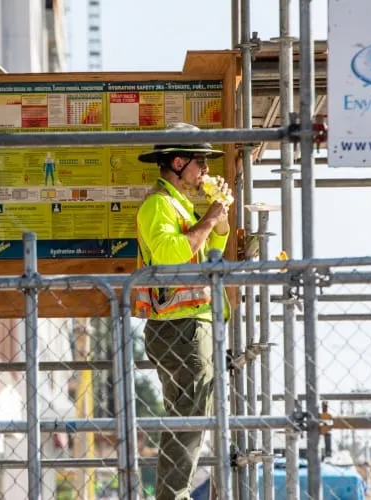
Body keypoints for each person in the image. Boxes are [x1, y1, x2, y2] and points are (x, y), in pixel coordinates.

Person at [132, 122, 233, 500]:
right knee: (189, 419)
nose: (205, 171)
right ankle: (172, 496)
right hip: (180, 328)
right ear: (178, 162)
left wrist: (217, 220)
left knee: (188, 417)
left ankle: (173, 494)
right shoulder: (158, 204)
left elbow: (210, 247)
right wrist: (209, 220)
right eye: (201, 163)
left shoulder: (178, 204)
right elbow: (171, 257)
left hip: (185, 327)